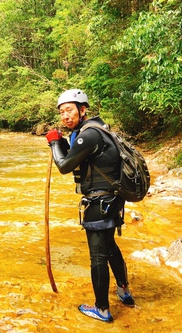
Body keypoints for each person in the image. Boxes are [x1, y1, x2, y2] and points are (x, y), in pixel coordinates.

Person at [45, 89, 135, 323]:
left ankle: (102, 309)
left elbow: (64, 166)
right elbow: (76, 156)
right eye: (62, 112)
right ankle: (124, 290)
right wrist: (62, 142)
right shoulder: (93, 130)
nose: (65, 116)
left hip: (99, 202)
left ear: (82, 110)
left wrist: (55, 143)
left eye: (70, 110)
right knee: (109, 246)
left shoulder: (89, 135)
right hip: (112, 200)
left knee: (97, 256)